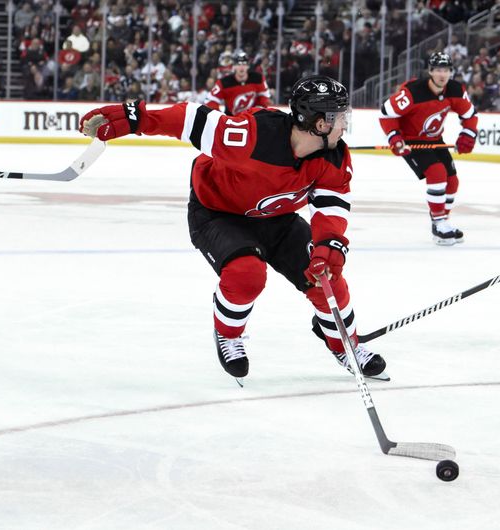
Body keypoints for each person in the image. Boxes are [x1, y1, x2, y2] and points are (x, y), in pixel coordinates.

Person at [78, 75, 387, 382]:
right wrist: (133, 118)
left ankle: (345, 345)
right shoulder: (255, 135)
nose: (344, 125)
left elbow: (330, 208)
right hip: (218, 212)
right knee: (246, 274)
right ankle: (228, 335)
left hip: (276, 218)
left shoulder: (334, 155)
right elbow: (190, 119)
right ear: (319, 123)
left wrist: (328, 247)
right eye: (339, 117)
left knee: (327, 279)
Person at [378, 51, 479, 245]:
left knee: (452, 181)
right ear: (431, 71)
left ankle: (441, 223)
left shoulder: (455, 90)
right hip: (411, 141)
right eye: (439, 70)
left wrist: (468, 134)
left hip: (435, 138)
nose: (443, 74)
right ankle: (439, 222)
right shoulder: (413, 92)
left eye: (447, 70)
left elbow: (470, 115)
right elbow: (386, 113)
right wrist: (394, 137)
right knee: (437, 172)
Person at [204, 50, 271, 116]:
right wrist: (219, 117)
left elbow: (264, 98)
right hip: (231, 120)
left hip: (251, 120)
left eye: (244, 64)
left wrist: (259, 113)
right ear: (234, 66)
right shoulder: (224, 82)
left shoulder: (258, 78)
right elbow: (211, 100)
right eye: (238, 64)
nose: (241, 67)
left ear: (248, 66)